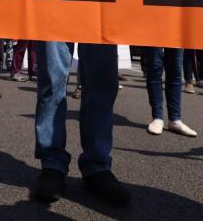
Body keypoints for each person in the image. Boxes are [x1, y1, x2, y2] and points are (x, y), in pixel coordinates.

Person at [32, 41, 131, 205]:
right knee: (51, 77)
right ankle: (52, 163)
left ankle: (97, 164)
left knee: (102, 78)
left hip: (99, 14)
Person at [142, 47, 197, 136]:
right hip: (153, 33)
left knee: (175, 69)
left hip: (175, 33)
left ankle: (175, 119)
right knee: (155, 67)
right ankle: (157, 118)